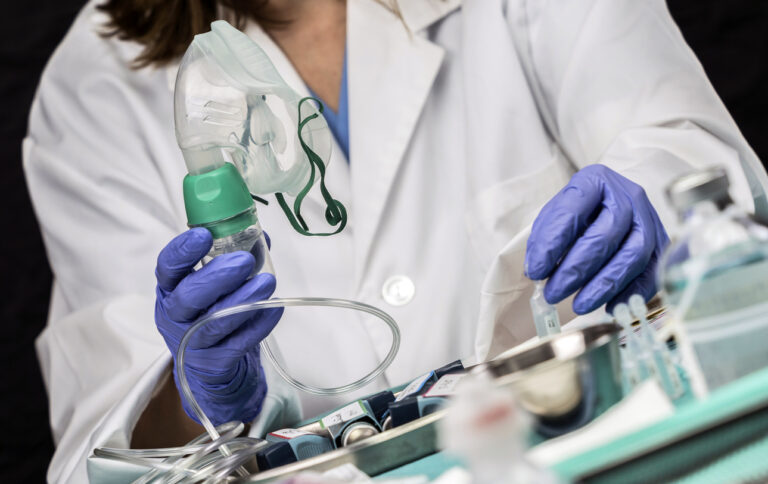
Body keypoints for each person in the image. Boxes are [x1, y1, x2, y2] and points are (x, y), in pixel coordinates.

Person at [23, 0, 768, 481]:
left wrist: (660, 204)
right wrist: (196, 391)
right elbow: (114, 442)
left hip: (604, 452)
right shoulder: (95, 83)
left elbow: (683, 144)